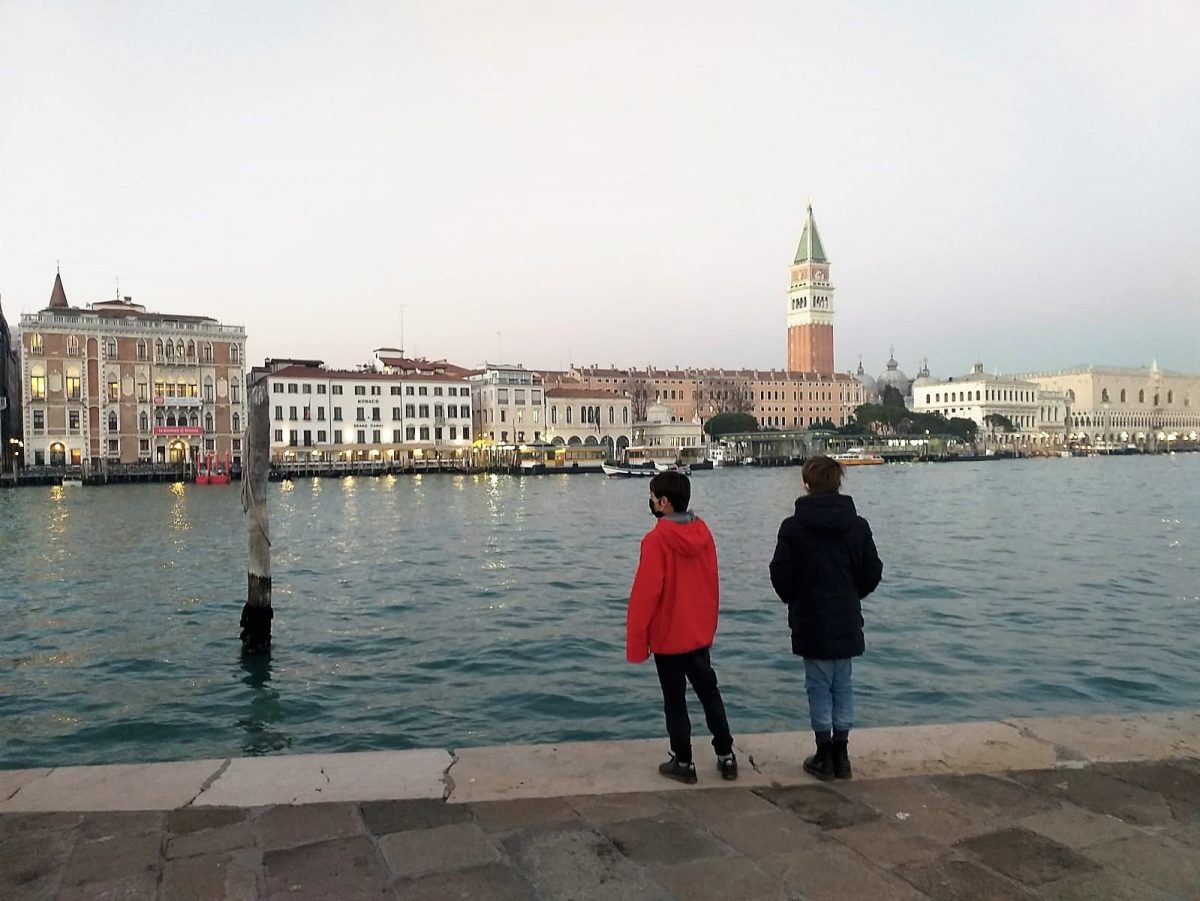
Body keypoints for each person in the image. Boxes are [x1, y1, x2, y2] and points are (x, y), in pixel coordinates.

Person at [769, 455, 883, 781]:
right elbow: (873, 569)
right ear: (838, 483)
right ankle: (842, 754)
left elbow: (780, 573)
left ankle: (823, 752)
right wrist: (852, 593)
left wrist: (795, 597)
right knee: (843, 684)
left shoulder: (793, 527)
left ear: (807, 484)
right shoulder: (857, 526)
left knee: (818, 686)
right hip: (845, 614)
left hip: (810, 616)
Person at [626, 470, 737, 783]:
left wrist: (637, 642)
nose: (649, 503)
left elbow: (645, 595)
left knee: (674, 701)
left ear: (664, 503)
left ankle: (684, 762)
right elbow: (711, 583)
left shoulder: (656, 540)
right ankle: (726, 756)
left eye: (651, 498)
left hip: (668, 636)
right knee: (709, 693)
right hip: (698, 633)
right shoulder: (703, 532)